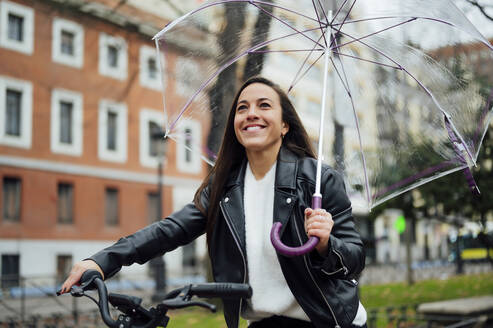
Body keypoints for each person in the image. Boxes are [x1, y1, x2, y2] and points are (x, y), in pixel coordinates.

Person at [60, 76, 367, 328]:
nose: (251, 114)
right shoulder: (225, 187)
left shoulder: (318, 180)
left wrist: (327, 244)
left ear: (284, 125)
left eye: (264, 105)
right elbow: (171, 230)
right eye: (242, 108)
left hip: (327, 320)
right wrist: (102, 260)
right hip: (263, 324)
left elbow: (354, 260)